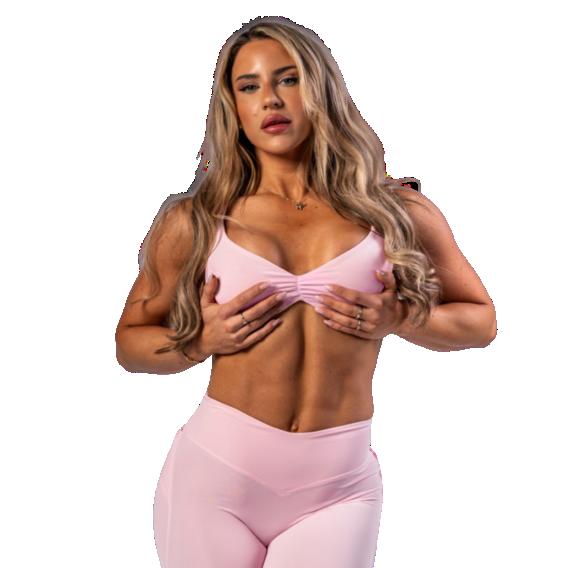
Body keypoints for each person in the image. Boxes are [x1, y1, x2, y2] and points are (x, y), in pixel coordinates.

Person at [115, 16, 497, 568]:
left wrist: (401, 319)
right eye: (249, 86)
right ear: (233, 107)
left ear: (320, 88)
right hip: (215, 482)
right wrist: (199, 342)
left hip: (339, 490)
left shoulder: (397, 212)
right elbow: (129, 343)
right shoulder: (196, 220)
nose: (270, 99)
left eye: (288, 79)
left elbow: (481, 321)